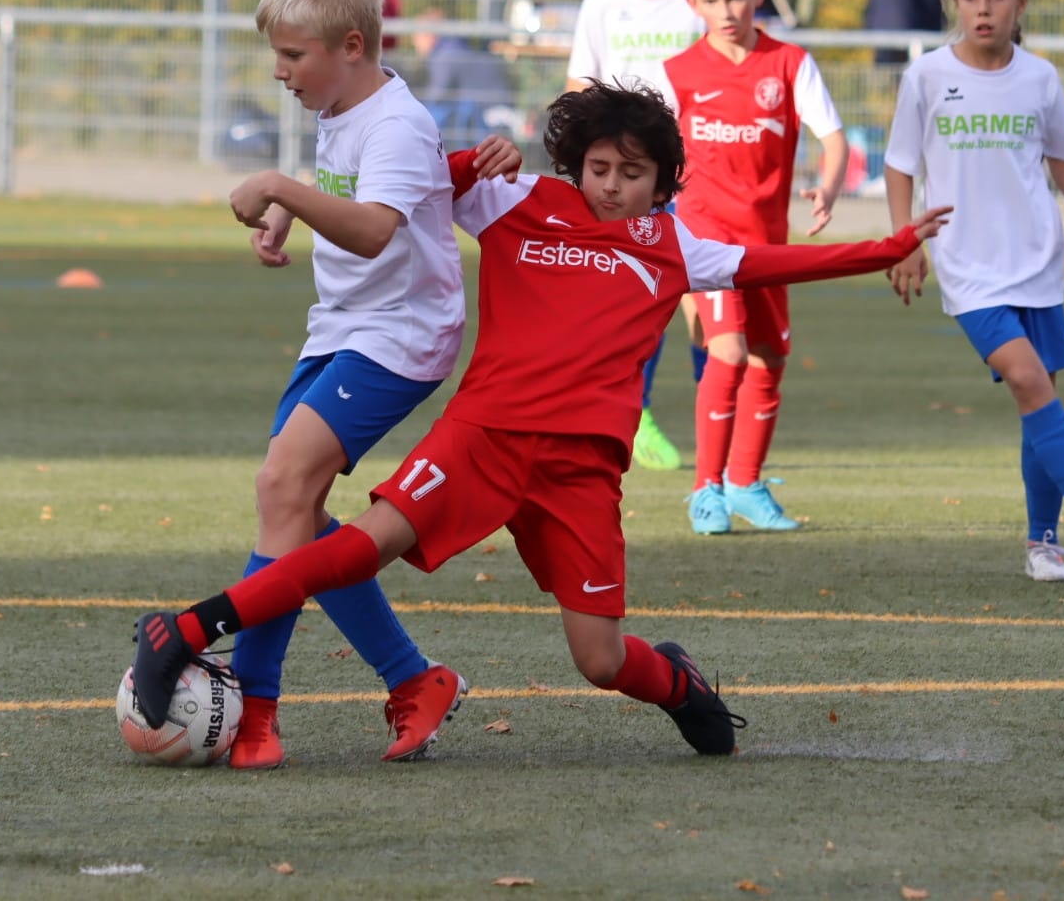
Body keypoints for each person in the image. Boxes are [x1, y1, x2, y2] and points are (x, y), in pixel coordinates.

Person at [131, 79, 952, 760]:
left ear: (662, 182)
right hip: (483, 435)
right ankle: (188, 628)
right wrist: (469, 160)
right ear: (575, 163)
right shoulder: (518, 200)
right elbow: (410, 190)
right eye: (598, 167)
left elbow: (776, 262)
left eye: (632, 173)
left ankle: (680, 685)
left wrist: (887, 249)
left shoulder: (674, 246)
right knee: (361, 545)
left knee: (600, 659)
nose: (611, 184)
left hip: (580, 470)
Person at [210, 0, 518, 770]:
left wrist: (280, 188)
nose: (279, 71)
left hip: (400, 337)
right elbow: (357, 198)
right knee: (297, 511)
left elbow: (378, 228)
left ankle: (254, 710)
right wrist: (292, 210)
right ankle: (416, 679)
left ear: (352, 46)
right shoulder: (343, 103)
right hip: (344, 327)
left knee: (281, 487)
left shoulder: (396, 122)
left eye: (293, 55)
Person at [883, 0, 1064, 583]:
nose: (983, 8)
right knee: (1028, 379)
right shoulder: (926, 77)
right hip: (968, 267)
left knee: (1039, 394)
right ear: (954, 2)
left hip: (1036, 262)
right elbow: (899, 164)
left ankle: (1042, 544)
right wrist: (905, 239)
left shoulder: (1039, 77)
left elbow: (1062, 153)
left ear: (1020, 3)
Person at [665, 0, 849, 535]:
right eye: (712, 0)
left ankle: (745, 483)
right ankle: (706, 490)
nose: (726, 11)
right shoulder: (677, 74)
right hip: (707, 239)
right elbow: (651, 152)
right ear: (693, 3)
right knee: (728, 352)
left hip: (767, 242)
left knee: (770, 360)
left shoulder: (790, 64)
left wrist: (828, 187)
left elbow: (833, 138)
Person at [566, 0, 707, 474]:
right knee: (635, 303)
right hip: (630, 182)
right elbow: (580, 87)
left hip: (696, 177)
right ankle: (634, 412)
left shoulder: (698, 1)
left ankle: (717, 430)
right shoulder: (602, 5)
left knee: (706, 306)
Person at [410, 7, 516, 147]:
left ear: (430, 36)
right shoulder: (454, 49)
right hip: (494, 112)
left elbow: (436, 97)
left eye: (417, 37)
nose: (415, 43)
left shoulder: (445, 57)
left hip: (490, 117)